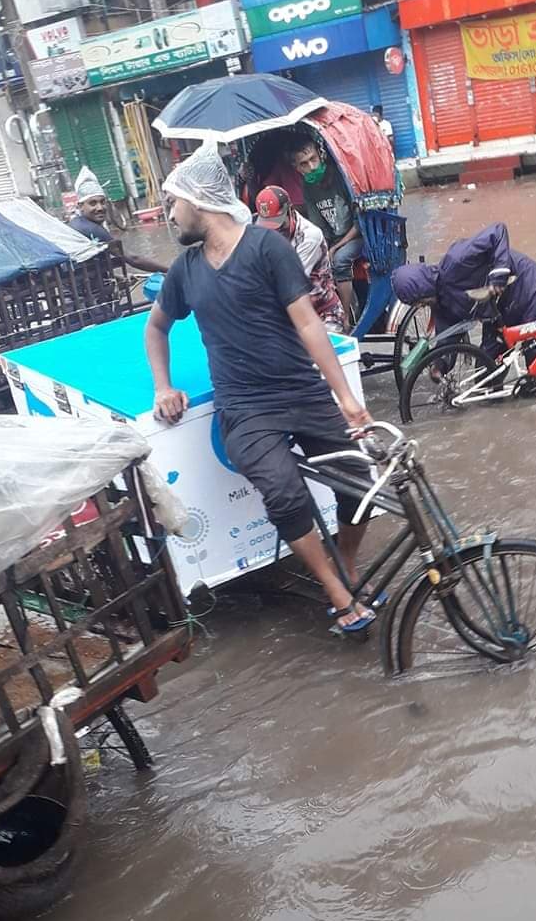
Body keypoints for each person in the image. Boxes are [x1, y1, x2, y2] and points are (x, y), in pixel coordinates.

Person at [145, 145, 376, 633]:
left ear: (199, 200)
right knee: (285, 495)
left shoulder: (267, 248)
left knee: (361, 482)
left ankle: (348, 565)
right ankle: (335, 592)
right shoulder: (185, 270)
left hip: (302, 392)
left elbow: (310, 325)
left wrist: (347, 400)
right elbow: (156, 328)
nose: (170, 216)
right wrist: (162, 386)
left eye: (173, 204)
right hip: (246, 411)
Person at [392, 222, 536, 377]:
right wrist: (439, 365)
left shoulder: (456, 259)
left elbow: (498, 231)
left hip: (525, 285)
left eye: (419, 301)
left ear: (423, 289)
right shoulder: (442, 305)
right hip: (497, 312)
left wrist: (499, 273)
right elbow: (448, 338)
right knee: (486, 373)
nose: (421, 306)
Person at [286, 135, 363, 319]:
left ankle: (344, 317)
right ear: (297, 168)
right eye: (304, 164)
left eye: (313, 159)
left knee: (340, 259)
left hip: (358, 236)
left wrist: (334, 248)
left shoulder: (340, 177)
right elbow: (318, 226)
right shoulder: (308, 187)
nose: (311, 167)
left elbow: (360, 222)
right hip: (335, 238)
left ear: (320, 155)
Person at [254, 184, 347, 334]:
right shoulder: (258, 231)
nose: (275, 232)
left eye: (278, 225)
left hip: (321, 315)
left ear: (290, 211)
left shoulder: (310, 236)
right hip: (286, 317)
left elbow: (290, 283)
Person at [69, 166, 169, 274]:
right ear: (80, 206)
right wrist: (171, 270)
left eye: (102, 202)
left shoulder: (76, 223)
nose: (100, 208)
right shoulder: (90, 228)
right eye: (93, 203)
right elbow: (133, 259)